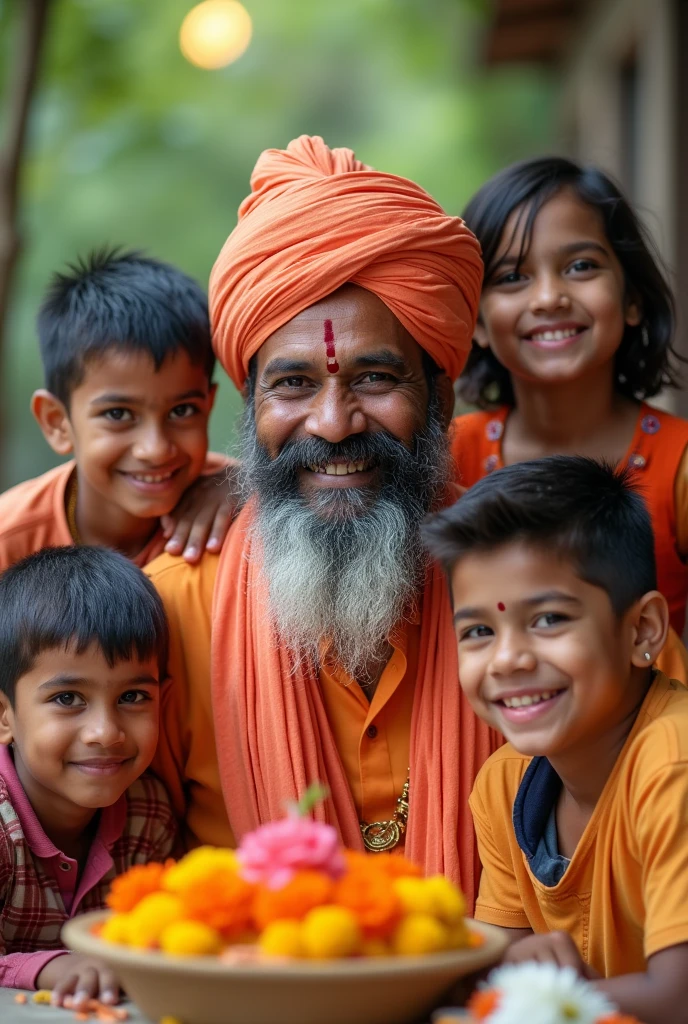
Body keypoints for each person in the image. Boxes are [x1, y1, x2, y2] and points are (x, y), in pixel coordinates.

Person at [148, 134, 500, 910]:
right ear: (251, 409)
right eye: (294, 385)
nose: (334, 424)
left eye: (374, 378)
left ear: (440, 401)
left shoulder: (528, 585)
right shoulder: (173, 610)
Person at [422, 456, 688, 1024]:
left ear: (642, 630)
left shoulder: (673, 766)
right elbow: (493, 966)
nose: (509, 658)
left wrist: (534, 998)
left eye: (548, 620)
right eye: (478, 631)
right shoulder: (505, 784)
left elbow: (678, 1000)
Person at [451, 157, 688, 636]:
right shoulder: (449, 457)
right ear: (475, 320)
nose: (548, 298)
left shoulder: (679, 465)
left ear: (632, 299)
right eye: (512, 277)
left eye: (581, 266)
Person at [0, 545, 175, 1008]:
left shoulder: (148, 814)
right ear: (4, 714)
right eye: (67, 699)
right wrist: (44, 966)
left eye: (133, 696)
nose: (105, 733)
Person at [0, 248, 234, 570]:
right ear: (57, 422)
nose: (155, 450)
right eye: (118, 414)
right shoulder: (10, 543)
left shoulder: (234, 502)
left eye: (182, 411)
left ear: (208, 407)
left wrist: (249, 488)